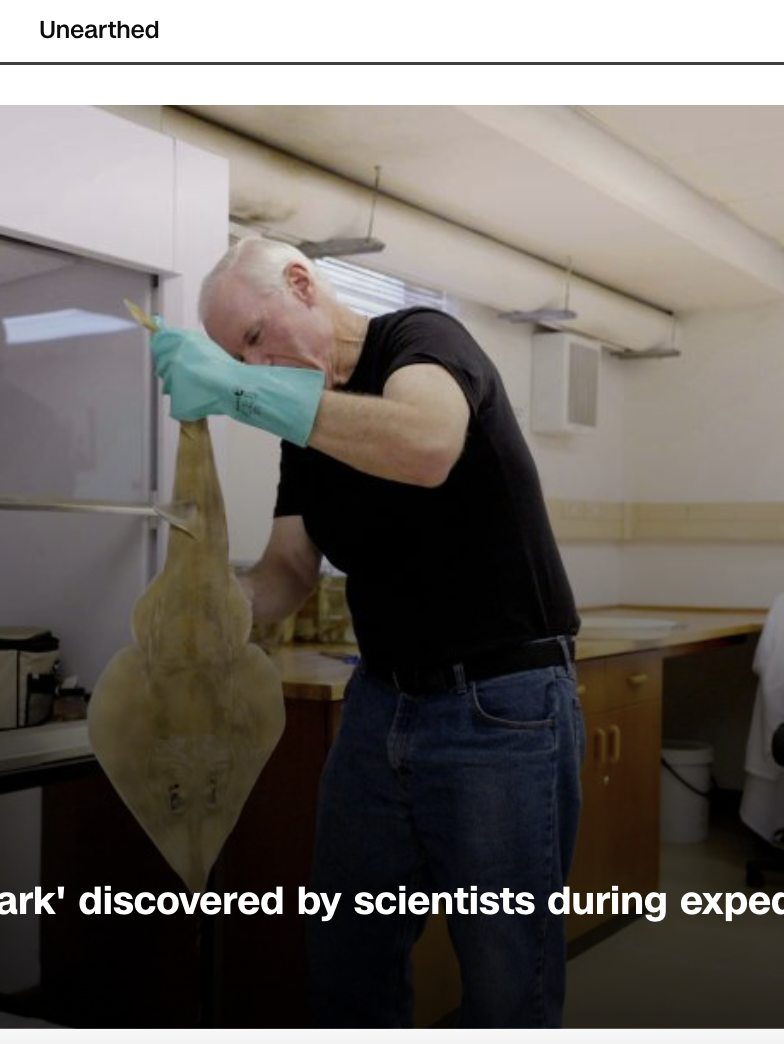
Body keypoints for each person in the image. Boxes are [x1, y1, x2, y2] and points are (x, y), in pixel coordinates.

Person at [148, 236, 584, 1028]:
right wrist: (216, 609)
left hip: (502, 706)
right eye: (236, 357)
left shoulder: (421, 341)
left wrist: (243, 392)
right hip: (383, 704)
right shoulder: (305, 432)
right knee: (348, 953)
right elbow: (287, 568)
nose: (256, 364)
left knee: (503, 979)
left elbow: (426, 446)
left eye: (254, 337)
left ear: (301, 282)